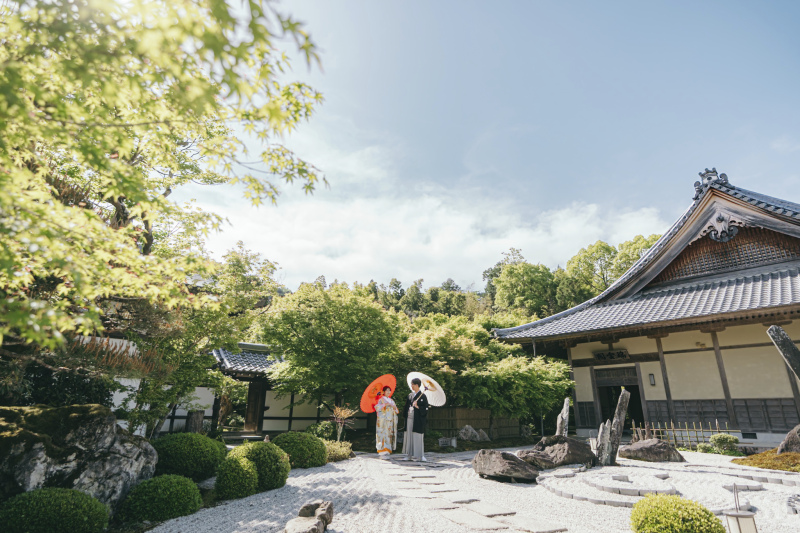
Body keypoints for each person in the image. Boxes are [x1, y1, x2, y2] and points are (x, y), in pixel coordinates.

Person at [402, 377, 429, 461]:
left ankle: (420, 455)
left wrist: (417, 406)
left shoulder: (423, 396)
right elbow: (406, 407)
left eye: (413, 384)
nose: (412, 386)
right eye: (411, 384)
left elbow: (426, 408)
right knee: (408, 435)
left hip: (417, 419)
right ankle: (408, 454)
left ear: (417, 385)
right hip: (410, 418)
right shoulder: (410, 395)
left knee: (418, 436)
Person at [375, 386, 399, 459]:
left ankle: (388, 449)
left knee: (389, 435)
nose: (388, 392)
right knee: (382, 434)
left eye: (389, 390)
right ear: (383, 392)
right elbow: (377, 408)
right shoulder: (381, 400)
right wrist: (385, 405)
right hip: (383, 420)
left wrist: (394, 408)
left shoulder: (391, 400)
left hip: (390, 420)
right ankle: (382, 450)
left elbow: (396, 411)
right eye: (387, 390)